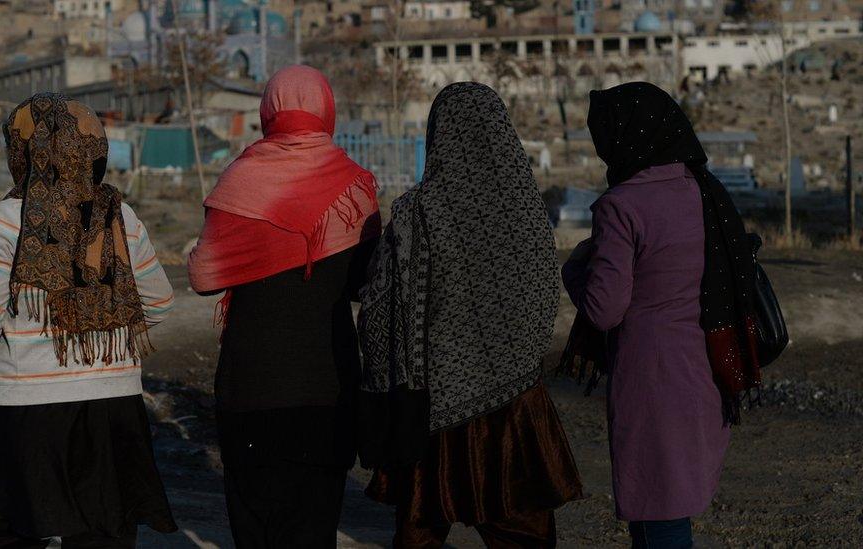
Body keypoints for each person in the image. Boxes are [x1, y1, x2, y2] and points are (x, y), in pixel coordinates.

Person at [357, 82, 583, 548]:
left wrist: (385, 391)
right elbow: (546, 295)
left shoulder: (417, 212)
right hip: (513, 403)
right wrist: (514, 359)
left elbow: (380, 311)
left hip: (431, 407)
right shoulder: (526, 209)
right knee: (524, 533)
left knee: (420, 527)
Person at [0, 92, 178, 548]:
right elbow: (159, 303)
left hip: (25, 411)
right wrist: (103, 331)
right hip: (114, 406)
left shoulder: (4, 221)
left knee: (10, 530)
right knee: (104, 531)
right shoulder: (121, 217)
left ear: (22, 150)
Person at [561, 82, 762, 548]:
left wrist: (575, 268)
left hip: (652, 383)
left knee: (659, 516)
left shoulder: (623, 206)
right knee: (671, 508)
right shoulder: (704, 192)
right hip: (703, 373)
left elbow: (604, 308)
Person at [187, 65, 380, 548]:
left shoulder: (238, 183)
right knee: (314, 531)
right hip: (326, 388)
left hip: (249, 388)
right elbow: (366, 284)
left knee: (256, 532)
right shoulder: (355, 189)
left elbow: (203, 275)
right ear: (326, 109)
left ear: (267, 111)